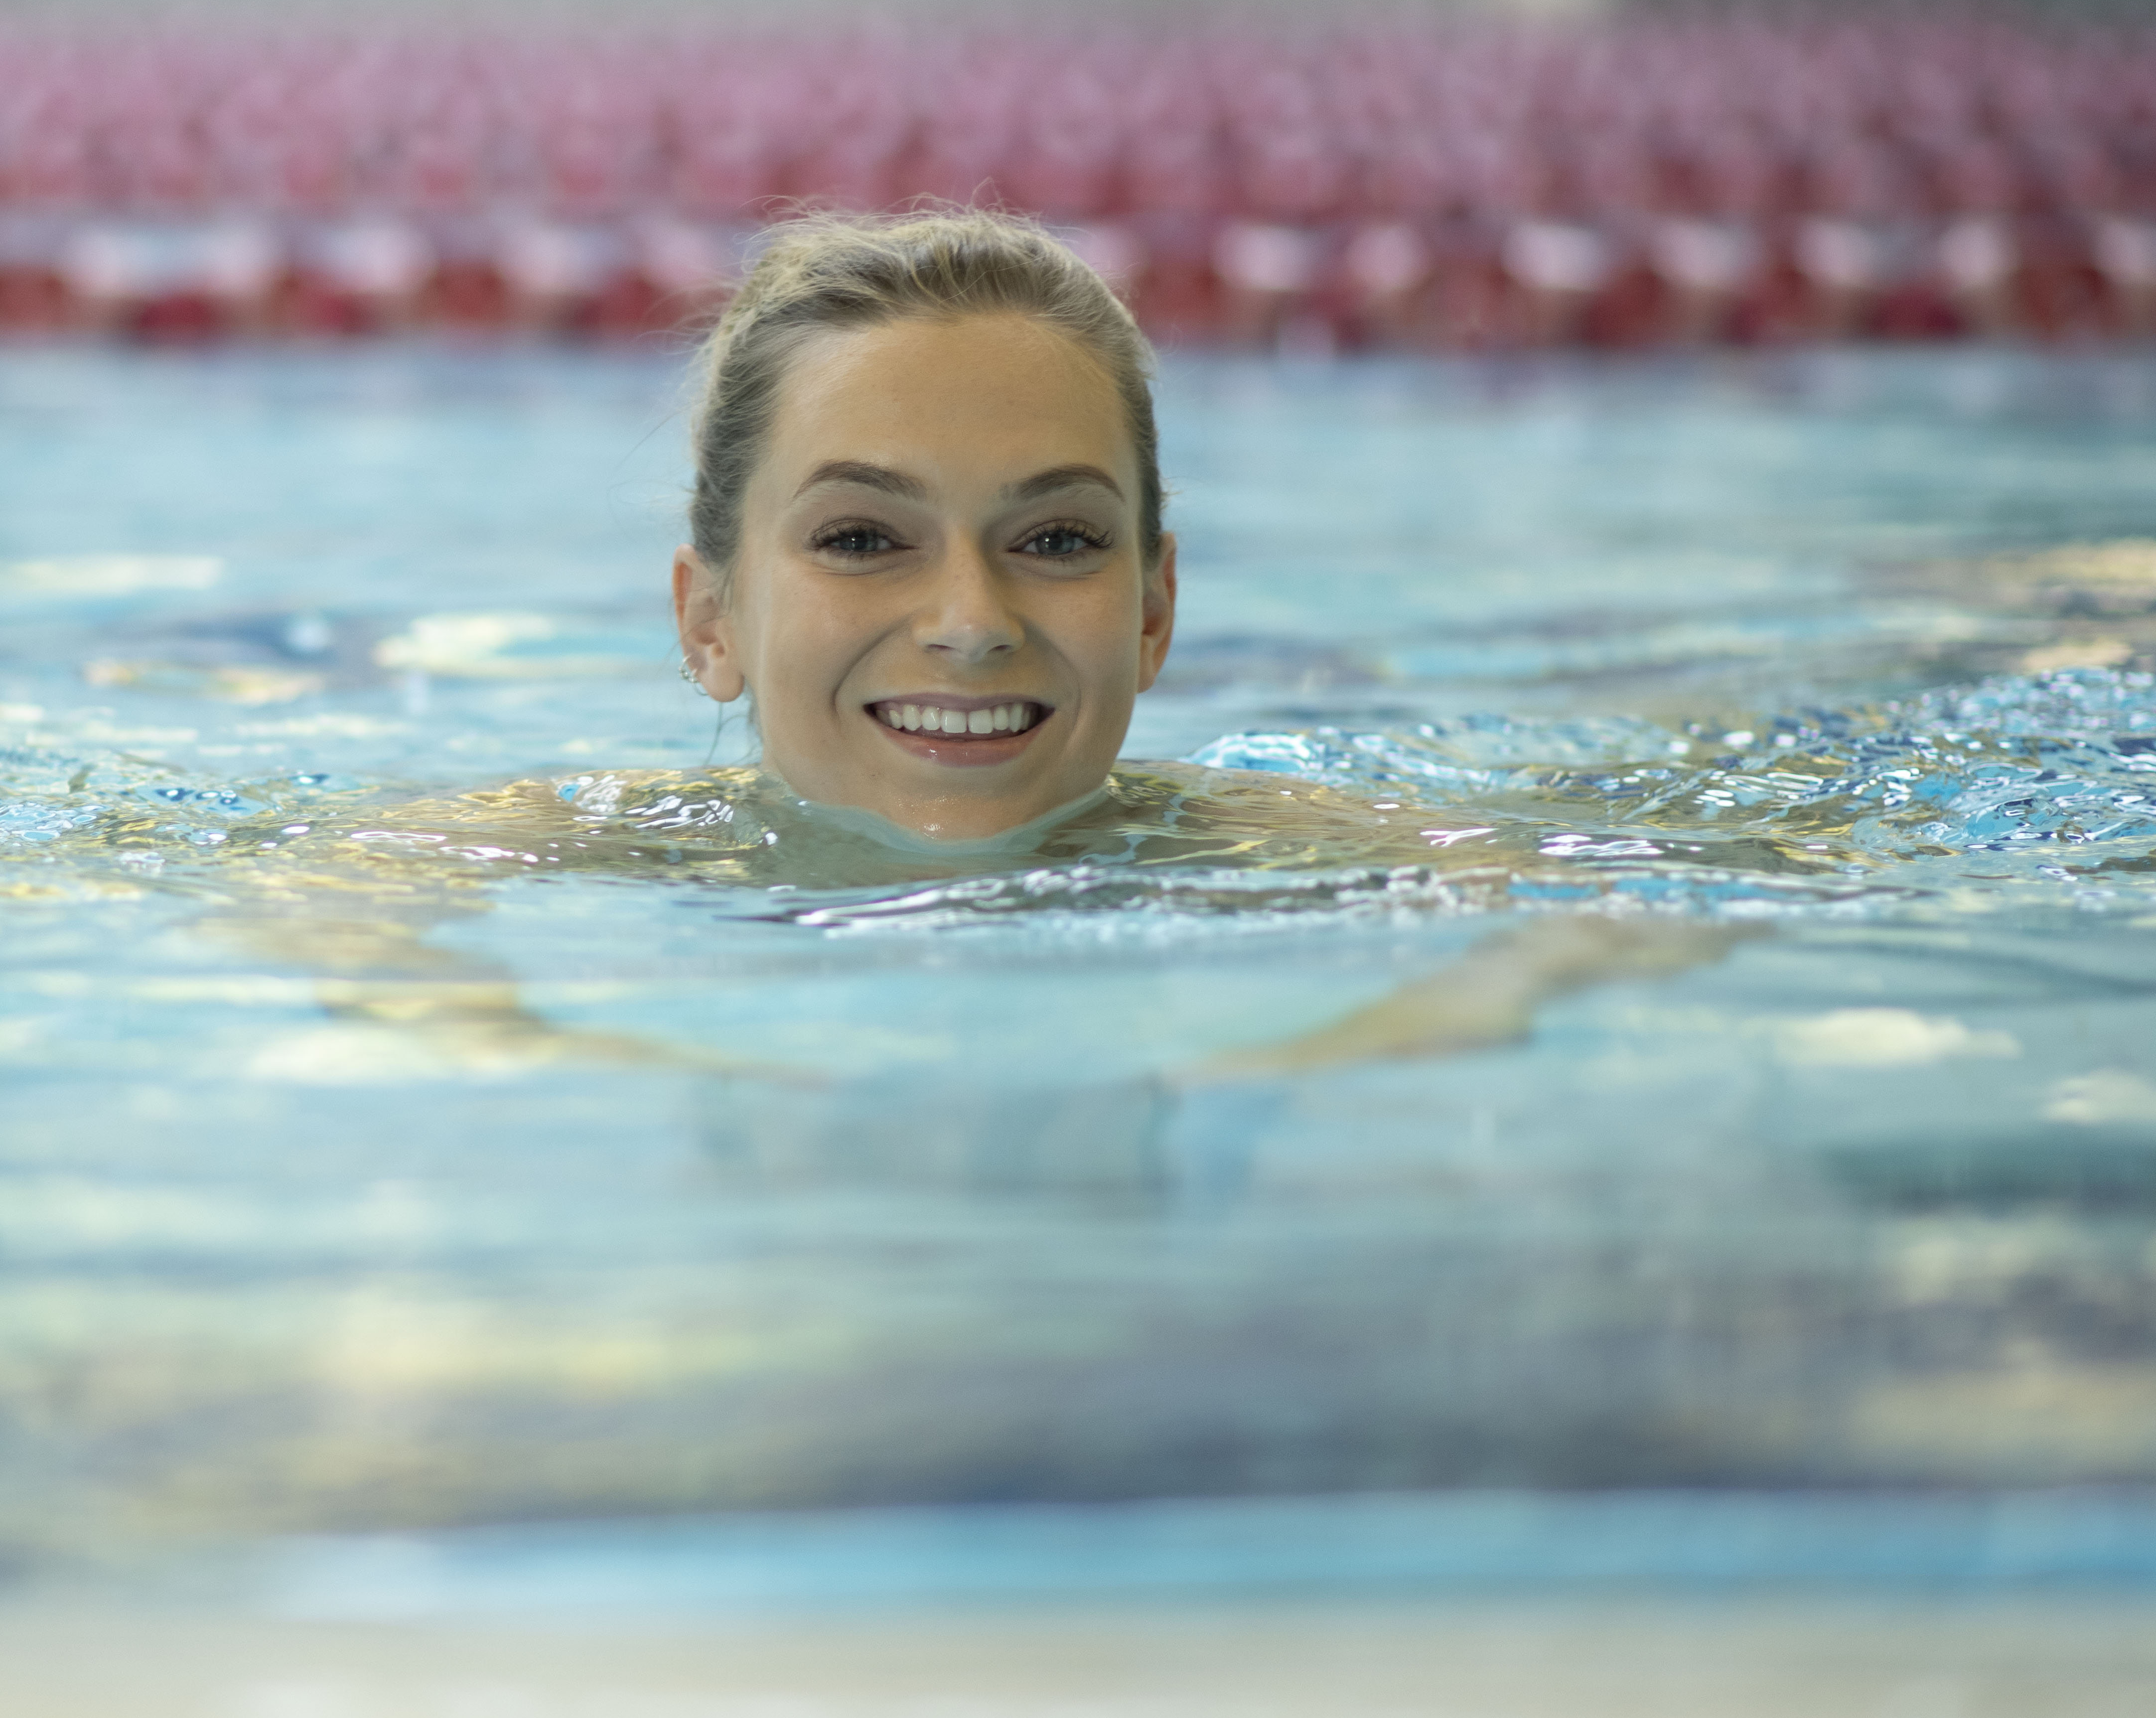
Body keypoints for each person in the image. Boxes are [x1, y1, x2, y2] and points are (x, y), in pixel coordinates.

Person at [210, 208, 1766, 1078]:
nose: (968, 624)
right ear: (710, 620)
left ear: (1154, 612)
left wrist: (1323, 1070)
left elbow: (1650, 901)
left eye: (1058, 541)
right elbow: (314, 894)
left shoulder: (1253, 849)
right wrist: (560, 1067)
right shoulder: (623, 845)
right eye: (863, 538)